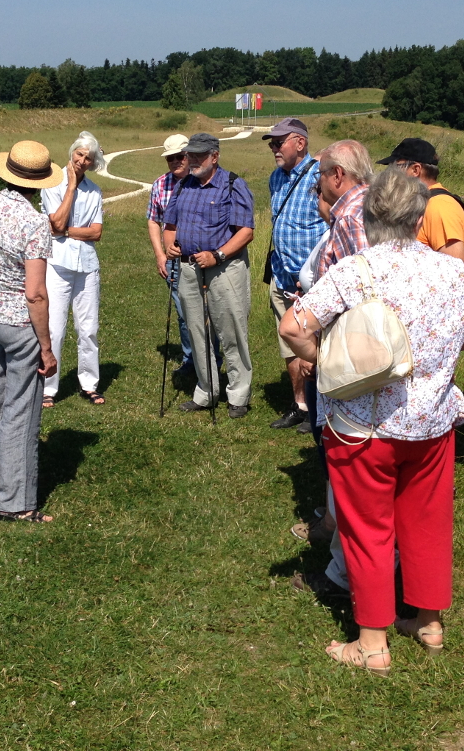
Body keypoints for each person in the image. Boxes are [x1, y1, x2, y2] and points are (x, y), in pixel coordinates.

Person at [281, 166, 464, 675]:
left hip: (364, 427)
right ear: (419, 215)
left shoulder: (355, 269)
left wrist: (327, 359)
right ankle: (428, 623)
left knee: (368, 530)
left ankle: (371, 645)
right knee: (427, 524)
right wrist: (455, 347)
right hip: (432, 422)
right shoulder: (451, 270)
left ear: (369, 216)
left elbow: (292, 325)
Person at [288, 139, 374, 595]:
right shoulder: (368, 209)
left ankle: (345, 571)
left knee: (348, 457)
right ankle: (345, 550)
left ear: (338, 175)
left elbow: (361, 283)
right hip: (360, 351)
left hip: (353, 355)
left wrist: (317, 341)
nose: (319, 182)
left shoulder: (350, 216)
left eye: (321, 175)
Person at [0, 140, 62, 523]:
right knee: (20, 413)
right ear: (38, 184)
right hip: (18, 327)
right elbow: (35, 294)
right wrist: (47, 348)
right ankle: (15, 504)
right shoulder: (35, 223)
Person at [163, 133, 256, 418]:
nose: (192, 161)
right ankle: (207, 390)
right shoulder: (183, 186)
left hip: (224, 268)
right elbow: (170, 223)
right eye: (190, 155)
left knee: (230, 330)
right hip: (189, 268)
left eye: (199, 156)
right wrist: (169, 245)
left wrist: (218, 255)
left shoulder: (232, 185)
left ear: (215, 156)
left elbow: (246, 231)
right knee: (196, 330)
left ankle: (238, 395)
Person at [263, 118, 325, 429]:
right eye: (271, 143)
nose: (273, 148)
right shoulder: (276, 178)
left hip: (313, 283)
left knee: (315, 348)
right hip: (282, 277)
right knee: (289, 345)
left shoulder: (320, 175)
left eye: (279, 142)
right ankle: (299, 405)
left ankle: (320, 409)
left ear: (299, 143)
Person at [41, 131, 105, 407]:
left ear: (92, 163)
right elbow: (54, 224)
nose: (81, 161)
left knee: (88, 327)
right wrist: (70, 188)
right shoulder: (52, 187)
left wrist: (67, 230)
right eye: (79, 154)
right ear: (71, 154)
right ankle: (48, 387)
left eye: (88, 158)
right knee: (54, 328)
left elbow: (96, 233)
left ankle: (89, 383)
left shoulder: (94, 191)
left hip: (87, 265)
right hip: (57, 264)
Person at [147, 134, 196, 382]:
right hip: (173, 262)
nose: (175, 162)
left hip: (200, 259)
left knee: (207, 314)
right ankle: (190, 360)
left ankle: (210, 360)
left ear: (189, 156)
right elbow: (154, 220)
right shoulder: (160, 184)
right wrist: (159, 254)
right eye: (170, 158)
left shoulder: (201, 180)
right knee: (183, 312)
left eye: (180, 156)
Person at [378, 138, 464, 263]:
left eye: (394, 167)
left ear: (416, 170)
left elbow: (458, 271)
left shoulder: (439, 207)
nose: (389, 174)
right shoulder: (423, 202)